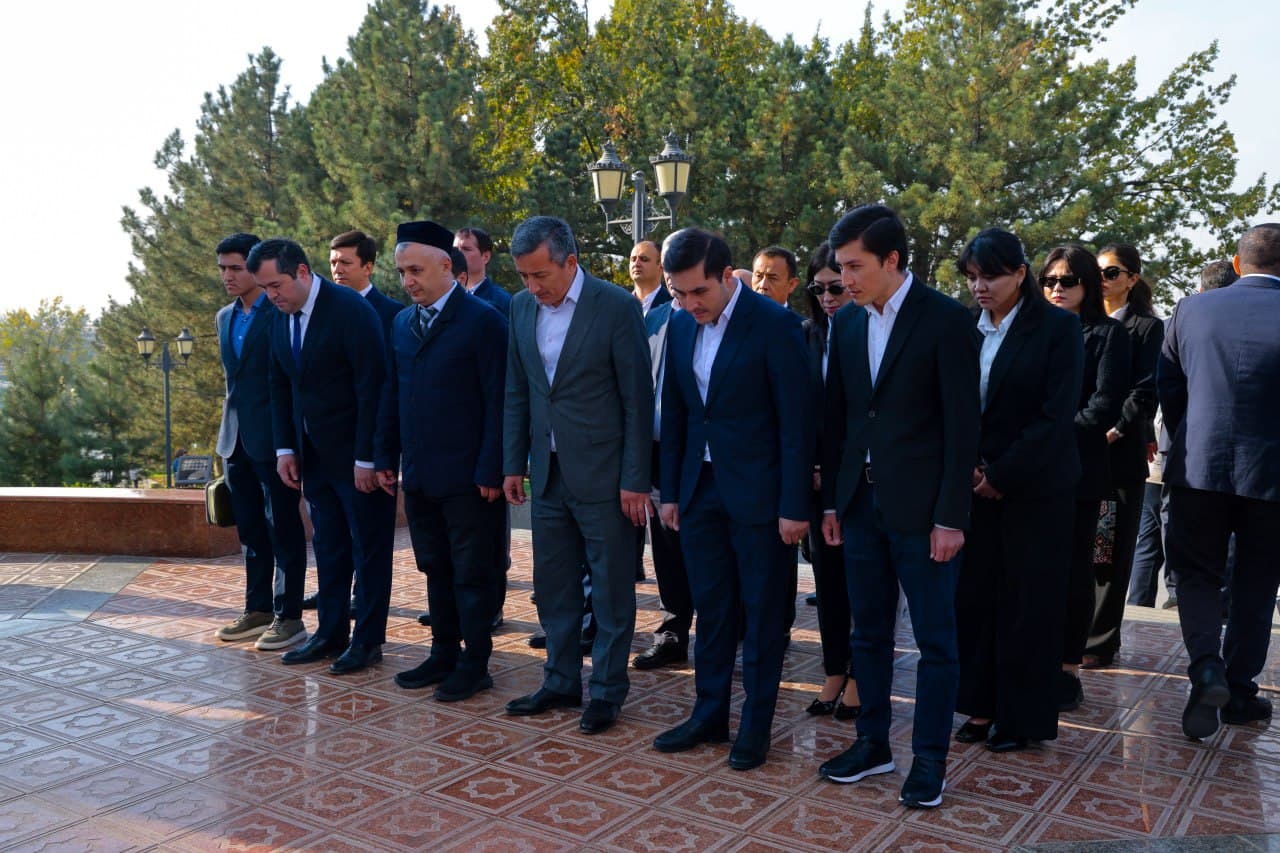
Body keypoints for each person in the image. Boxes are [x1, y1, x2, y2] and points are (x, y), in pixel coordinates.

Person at [816, 205, 980, 810]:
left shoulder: (946, 320)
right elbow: (842, 420)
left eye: (854, 267)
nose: (844, 281)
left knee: (936, 642)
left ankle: (930, 761)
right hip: (860, 508)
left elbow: (964, 429)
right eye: (839, 268)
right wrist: (835, 501)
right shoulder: (848, 325)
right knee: (868, 635)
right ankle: (873, 744)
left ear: (891, 260)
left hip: (926, 515)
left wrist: (951, 516)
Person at [651, 228, 810, 771]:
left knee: (764, 616)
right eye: (679, 293)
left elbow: (796, 425)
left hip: (762, 498)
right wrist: (670, 491)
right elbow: (676, 413)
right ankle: (709, 714)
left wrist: (794, 506)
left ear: (726, 275)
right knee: (712, 610)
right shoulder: (676, 324)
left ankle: (756, 727)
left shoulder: (777, 325)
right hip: (699, 492)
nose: (689, 304)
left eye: (699, 292)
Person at [501, 216, 654, 735]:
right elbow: (517, 391)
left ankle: (608, 691)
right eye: (524, 276)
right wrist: (511, 463)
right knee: (555, 585)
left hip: (606, 478)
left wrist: (636, 477)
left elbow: (638, 400)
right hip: (545, 475)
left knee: (611, 589)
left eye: (541, 274)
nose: (533, 287)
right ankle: (561, 680)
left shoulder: (614, 306)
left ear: (571, 261)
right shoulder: (520, 308)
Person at [952, 229, 1083, 752]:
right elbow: (952, 404)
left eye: (991, 276)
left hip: (1037, 489)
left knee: (1028, 603)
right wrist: (969, 468)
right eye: (972, 277)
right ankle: (980, 707)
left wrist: (1001, 475)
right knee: (976, 597)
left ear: (1020, 274)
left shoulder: (1056, 329)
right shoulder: (965, 328)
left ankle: (1022, 718)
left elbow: (1055, 417)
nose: (980, 287)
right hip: (973, 483)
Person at [375, 220, 508, 702]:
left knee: (472, 572)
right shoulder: (401, 324)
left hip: (471, 479)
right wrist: (384, 455)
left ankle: (476, 663)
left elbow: (500, 402)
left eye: (415, 270)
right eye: (401, 271)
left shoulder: (485, 322)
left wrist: (493, 468)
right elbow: (393, 393)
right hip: (422, 474)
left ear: (445, 266)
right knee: (435, 566)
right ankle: (443, 653)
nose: (407, 281)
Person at [1159, 223, 1280, 740]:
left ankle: (1206, 666)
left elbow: (1170, 387)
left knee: (1196, 574)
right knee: (1257, 583)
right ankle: (1240, 690)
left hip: (1198, 465)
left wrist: (1191, 440)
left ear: (1235, 264)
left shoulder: (1190, 308)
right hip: (1273, 475)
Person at [253, 238, 393, 675]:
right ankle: (330, 633)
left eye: (276, 284)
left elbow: (374, 386)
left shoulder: (350, 310)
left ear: (301, 272)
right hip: (310, 458)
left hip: (357, 459)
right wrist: (284, 448)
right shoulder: (278, 317)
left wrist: (368, 457)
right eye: (264, 288)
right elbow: (278, 384)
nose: (271, 295)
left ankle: (367, 640)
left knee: (368, 550)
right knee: (329, 548)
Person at [1042, 245, 1131, 711]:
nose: (1057, 289)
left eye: (1068, 281)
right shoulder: (1032, 331)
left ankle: (1067, 668)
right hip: (1029, 474)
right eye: (1050, 280)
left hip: (1077, 470)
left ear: (1088, 287)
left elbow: (1104, 405)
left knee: (1075, 572)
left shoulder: (1108, 334)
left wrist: (1046, 436)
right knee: (1032, 571)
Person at [212, 233, 308, 651]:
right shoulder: (223, 317)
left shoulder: (281, 312)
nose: (228, 276)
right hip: (234, 443)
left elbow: (288, 380)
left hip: (275, 440)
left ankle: (289, 616)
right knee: (251, 531)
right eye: (223, 269)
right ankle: (258, 609)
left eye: (235, 268)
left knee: (283, 528)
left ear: (253, 269)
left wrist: (292, 441)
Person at [1085, 244, 1163, 667]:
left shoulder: (1147, 327)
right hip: (1081, 454)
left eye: (1112, 272)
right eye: (1097, 271)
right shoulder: (1083, 323)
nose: (1103, 279)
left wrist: (1115, 429)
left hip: (1119, 454)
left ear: (1132, 278)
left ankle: (1099, 643)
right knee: (1083, 549)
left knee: (1110, 551)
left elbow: (1144, 388)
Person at [801, 242, 861, 719]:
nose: (827, 296)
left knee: (864, 584)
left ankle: (860, 675)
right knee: (829, 582)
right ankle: (833, 670)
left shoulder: (867, 331)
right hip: (816, 482)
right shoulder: (808, 334)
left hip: (860, 478)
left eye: (835, 287)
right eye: (817, 288)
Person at [634, 266, 693, 671]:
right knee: (667, 547)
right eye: (668, 268)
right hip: (656, 451)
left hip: (699, 452)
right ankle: (673, 630)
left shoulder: (709, 314)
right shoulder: (653, 317)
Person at [454, 226, 512, 318]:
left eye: (466, 249)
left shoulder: (502, 302)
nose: (458, 254)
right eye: (456, 249)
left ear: (485, 257)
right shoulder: (443, 297)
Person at [630, 239, 672, 316]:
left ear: (661, 266)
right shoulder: (620, 304)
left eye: (644, 259)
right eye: (633, 259)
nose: (636, 264)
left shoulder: (673, 305)